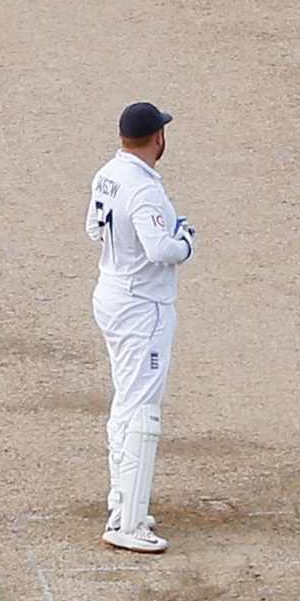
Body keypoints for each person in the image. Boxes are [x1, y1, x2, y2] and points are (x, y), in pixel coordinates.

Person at [86, 102, 196, 554]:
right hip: (142, 307)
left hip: (112, 293)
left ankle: (124, 501)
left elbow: (95, 229)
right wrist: (185, 241)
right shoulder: (143, 190)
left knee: (128, 401)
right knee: (140, 410)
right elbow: (160, 249)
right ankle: (126, 519)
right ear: (158, 138)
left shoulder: (107, 175)